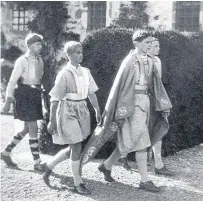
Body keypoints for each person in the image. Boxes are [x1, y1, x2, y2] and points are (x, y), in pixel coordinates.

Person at [82, 30, 172, 193]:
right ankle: (144, 180)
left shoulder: (150, 61)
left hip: (145, 103)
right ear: (136, 44)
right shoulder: (129, 61)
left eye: (151, 43)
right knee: (142, 142)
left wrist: (161, 104)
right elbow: (120, 87)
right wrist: (118, 108)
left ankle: (106, 165)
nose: (150, 46)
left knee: (130, 140)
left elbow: (156, 85)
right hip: (131, 105)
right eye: (147, 43)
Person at [45, 41, 101, 195]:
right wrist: (52, 120)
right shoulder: (64, 74)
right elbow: (55, 99)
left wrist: (97, 110)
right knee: (76, 146)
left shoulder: (86, 72)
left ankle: (49, 165)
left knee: (74, 146)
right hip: (67, 110)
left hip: (82, 109)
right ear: (68, 55)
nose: (80, 55)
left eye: (81, 52)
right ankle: (78, 182)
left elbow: (91, 93)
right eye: (77, 52)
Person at [1, 33, 45, 171]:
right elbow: (13, 80)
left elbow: (40, 79)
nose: (40, 46)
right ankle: (37, 163)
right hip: (24, 94)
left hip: (35, 94)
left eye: (40, 44)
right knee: (33, 128)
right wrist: (8, 100)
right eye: (37, 44)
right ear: (30, 45)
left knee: (27, 128)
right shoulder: (22, 60)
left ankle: (5, 153)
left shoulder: (40, 60)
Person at [148, 37, 174, 176]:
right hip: (145, 99)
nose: (158, 48)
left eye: (159, 46)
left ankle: (158, 164)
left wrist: (162, 102)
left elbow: (158, 84)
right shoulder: (143, 61)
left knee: (159, 128)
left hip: (156, 99)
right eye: (155, 46)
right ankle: (123, 159)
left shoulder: (157, 61)